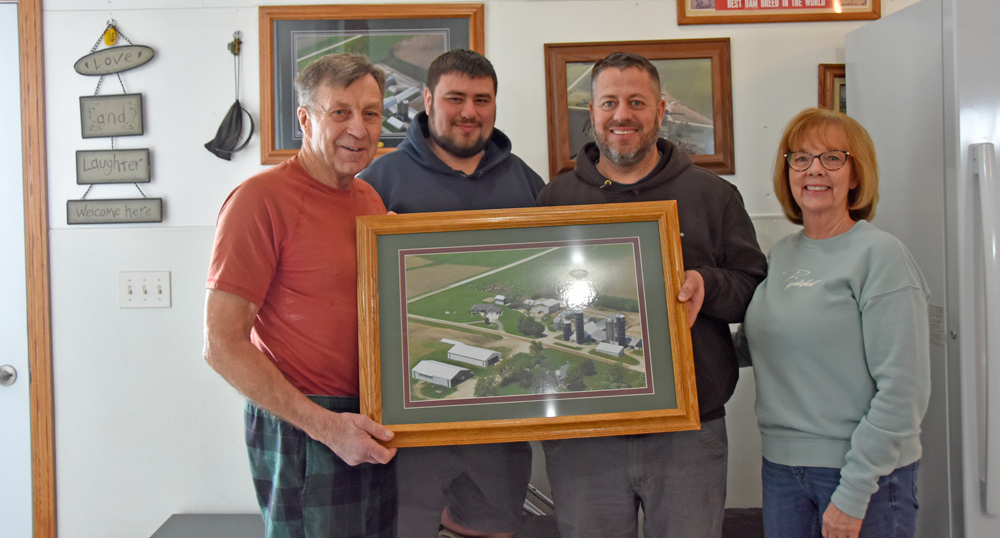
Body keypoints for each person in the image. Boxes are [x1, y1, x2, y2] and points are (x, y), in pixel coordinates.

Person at [535, 51, 767, 538]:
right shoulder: (554, 200)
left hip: (689, 431)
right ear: (592, 112)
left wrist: (707, 283)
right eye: (609, 102)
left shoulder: (712, 195)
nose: (622, 115)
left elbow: (753, 287)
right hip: (585, 433)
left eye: (637, 102)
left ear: (660, 111)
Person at [203, 53, 397, 537]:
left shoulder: (369, 199)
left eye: (371, 113)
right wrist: (326, 427)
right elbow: (221, 345)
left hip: (369, 415)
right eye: (340, 112)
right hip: (305, 425)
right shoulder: (259, 200)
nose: (359, 128)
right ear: (305, 119)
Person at [360, 48, 545, 538]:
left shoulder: (525, 181)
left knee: (493, 524)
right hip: (407, 416)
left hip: (499, 409)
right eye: (455, 98)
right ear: (427, 100)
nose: (469, 112)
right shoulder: (377, 181)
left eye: (482, 100)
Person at [735, 108, 930, 538]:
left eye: (832, 158)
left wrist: (854, 490)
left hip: (863, 474)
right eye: (801, 158)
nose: (814, 170)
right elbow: (752, 347)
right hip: (782, 470)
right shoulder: (781, 254)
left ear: (856, 174)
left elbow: (904, 391)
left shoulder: (881, 256)